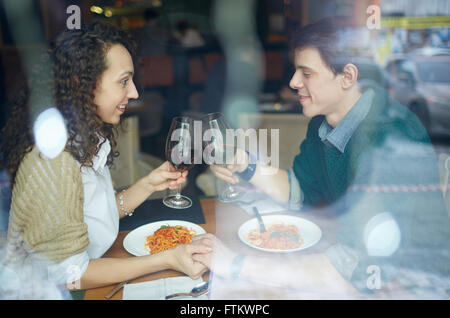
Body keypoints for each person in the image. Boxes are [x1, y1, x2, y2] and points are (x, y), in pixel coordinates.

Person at [205, 18, 450, 298]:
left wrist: (236, 264)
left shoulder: (389, 138)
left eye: (306, 73)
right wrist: (245, 164)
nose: (293, 81)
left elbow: (351, 264)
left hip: (414, 286)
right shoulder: (323, 124)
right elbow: (301, 189)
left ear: (347, 76)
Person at [1, 22, 210, 293]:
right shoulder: (54, 161)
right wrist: (166, 259)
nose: (134, 93)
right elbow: (71, 274)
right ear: (83, 84)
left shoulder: (85, 139)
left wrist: (148, 184)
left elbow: (92, 215)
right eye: (124, 81)